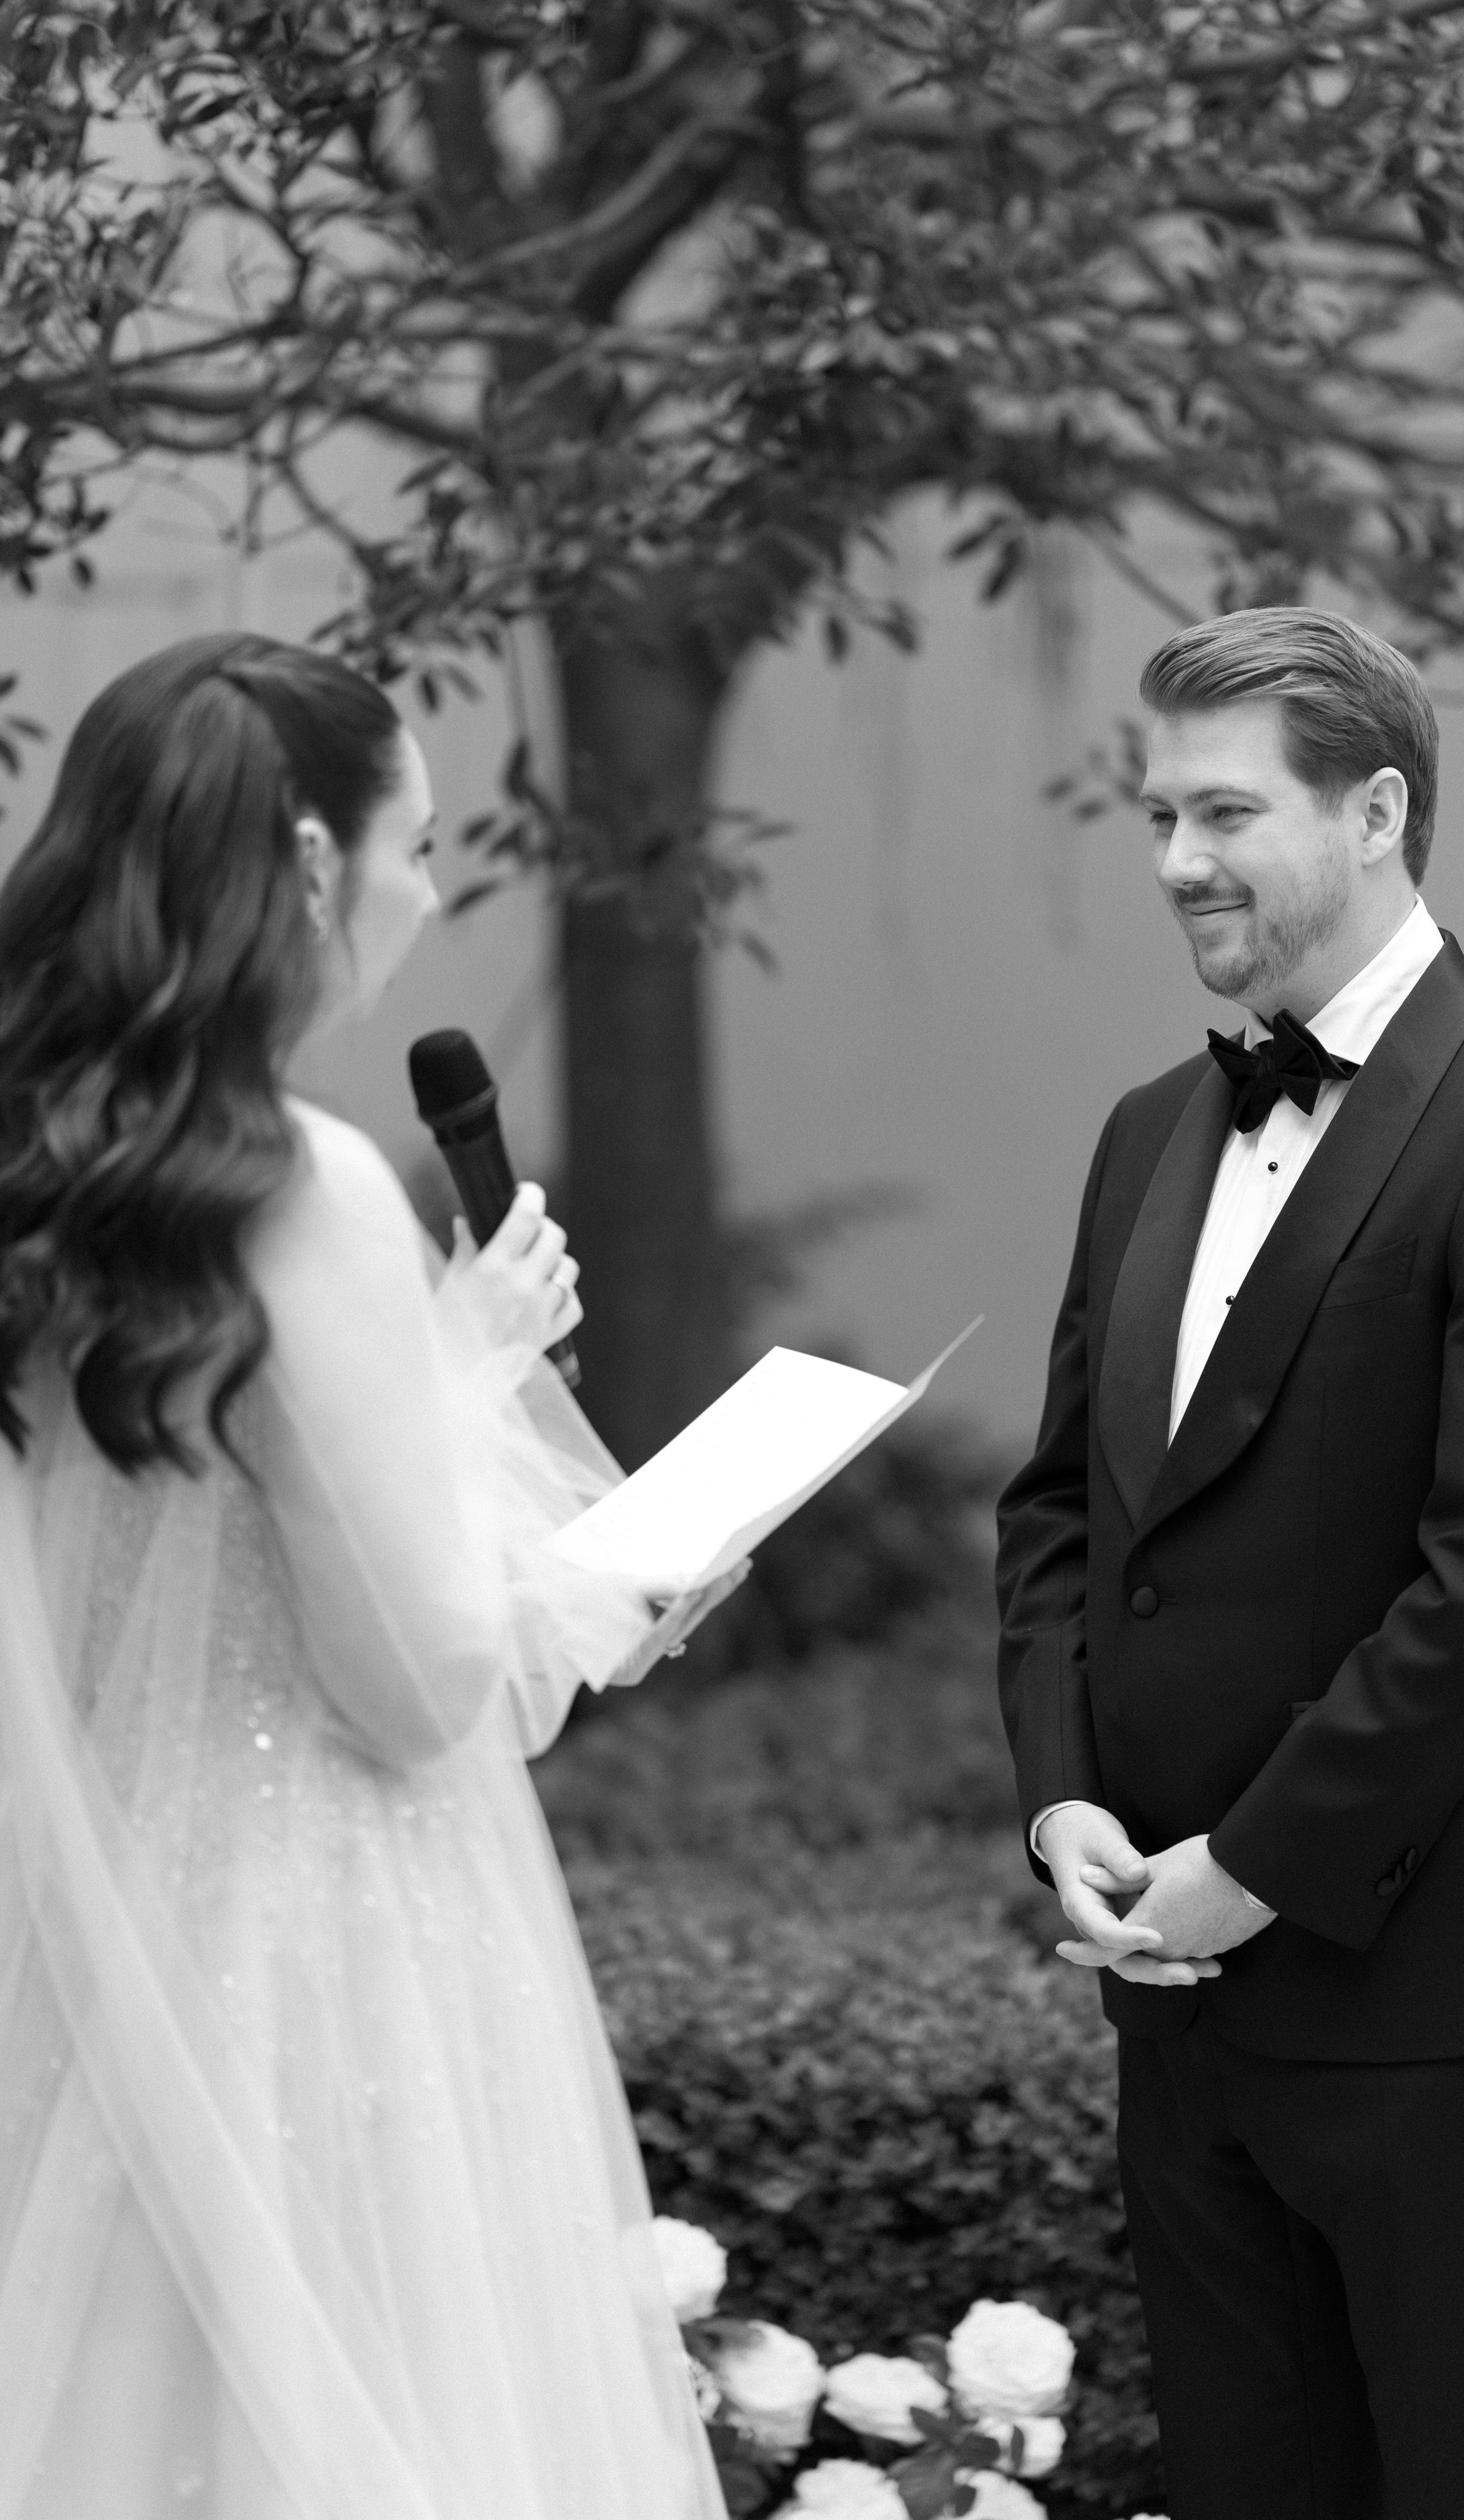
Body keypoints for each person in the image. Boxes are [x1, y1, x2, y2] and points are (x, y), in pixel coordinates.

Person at [0, 635, 734, 2520]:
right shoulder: (295, 1187)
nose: (422, 894)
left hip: (88, 1946)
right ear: (313, 864)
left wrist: (449, 1362)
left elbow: (192, 1518)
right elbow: (413, 1684)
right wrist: (599, 1555)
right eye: (411, 848)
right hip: (310, 1963)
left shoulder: (41, 1173)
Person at [996, 607, 1464, 2520]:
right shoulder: (1144, 1137)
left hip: (1429, 1997)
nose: (1174, 863)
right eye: (1155, 816)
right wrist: (1059, 1797)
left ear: (1376, 810)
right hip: (1172, 1993)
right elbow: (1060, 1517)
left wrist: (1255, 1870)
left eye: (1223, 811)